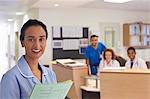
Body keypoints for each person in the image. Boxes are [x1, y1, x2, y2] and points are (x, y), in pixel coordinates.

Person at [0, 19, 57, 99]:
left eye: (41, 39)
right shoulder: (10, 77)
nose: (37, 46)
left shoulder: (51, 74)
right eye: (31, 39)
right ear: (22, 42)